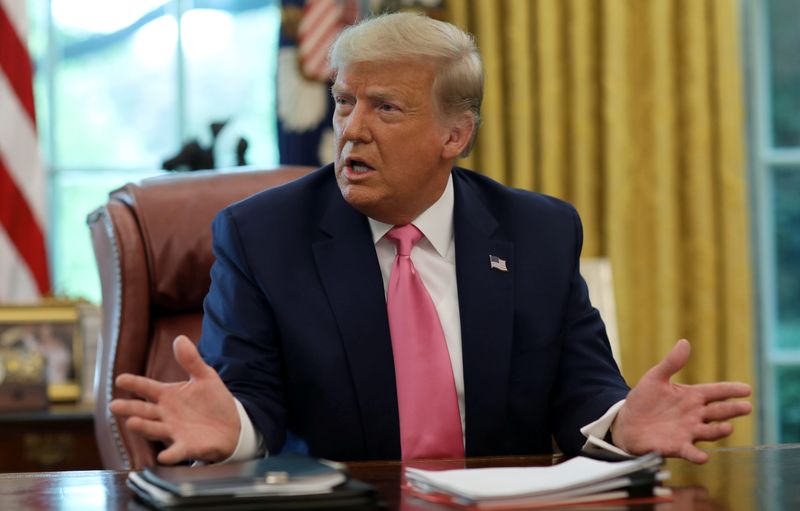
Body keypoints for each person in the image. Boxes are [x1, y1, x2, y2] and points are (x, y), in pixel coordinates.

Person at [109, 12, 751, 466]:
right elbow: (248, 398)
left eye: (385, 108)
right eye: (342, 102)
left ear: (455, 135)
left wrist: (621, 425)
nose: (351, 130)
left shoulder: (538, 232)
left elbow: (580, 390)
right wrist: (237, 430)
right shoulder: (261, 236)